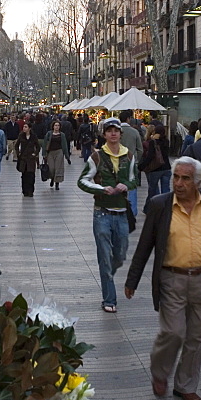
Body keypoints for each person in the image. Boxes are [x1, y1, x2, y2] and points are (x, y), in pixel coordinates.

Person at [124, 157, 201, 400]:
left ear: (198, 182)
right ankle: (160, 371)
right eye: (176, 177)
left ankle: (185, 385)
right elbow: (145, 243)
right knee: (173, 332)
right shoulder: (161, 205)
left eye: (185, 178)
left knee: (196, 337)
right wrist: (132, 280)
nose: (178, 183)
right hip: (171, 279)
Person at [78, 118, 138, 313]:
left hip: (121, 214)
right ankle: (109, 299)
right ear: (104, 134)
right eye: (109, 131)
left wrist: (126, 186)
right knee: (105, 256)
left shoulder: (128, 156)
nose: (113, 134)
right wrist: (100, 188)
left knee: (119, 255)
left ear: (120, 134)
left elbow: (134, 179)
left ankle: (107, 274)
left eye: (116, 131)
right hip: (101, 214)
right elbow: (82, 181)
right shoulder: (96, 157)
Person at [141, 124, 172, 212]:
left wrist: (142, 166)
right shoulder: (166, 141)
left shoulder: (153, 142)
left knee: (152, 189)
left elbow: (150, 156)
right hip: (166, 168)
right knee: (166, 189)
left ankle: (148, 208)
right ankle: (166, 208)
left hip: (156, 169)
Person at [118, 110, 144, 215]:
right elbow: (140, 149)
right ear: (128, 119)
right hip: (132, 163)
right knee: (132, 187)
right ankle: (133, 211)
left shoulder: (115, 131)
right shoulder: (135, 132)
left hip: (118, 162)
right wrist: (137, 159)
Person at [43, 120, 71, 191]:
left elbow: (64, 145)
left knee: (58, 168)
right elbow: (45, 144)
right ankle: (52, 178)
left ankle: (57, 183)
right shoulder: (49, 134)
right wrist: (44, 154)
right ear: (53, 126)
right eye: (55, 125)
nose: (57, 127)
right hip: (50, 153)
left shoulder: (62, 135)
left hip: (59, 152)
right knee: (51, 168)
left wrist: (67, 156)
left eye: (58, 125)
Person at [15, 122, 41, 197]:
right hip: (23, 159)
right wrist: (18, 154)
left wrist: (35, 153)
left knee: (31, 175)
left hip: (31, 159)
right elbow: (16, 146)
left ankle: (31, 191)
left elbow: (38, 146)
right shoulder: (21, 136)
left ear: (29, 128)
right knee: (24, 175)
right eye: (23, 127)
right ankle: (25, 191)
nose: (24, 128)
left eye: (26, 127)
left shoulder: (33, 137)